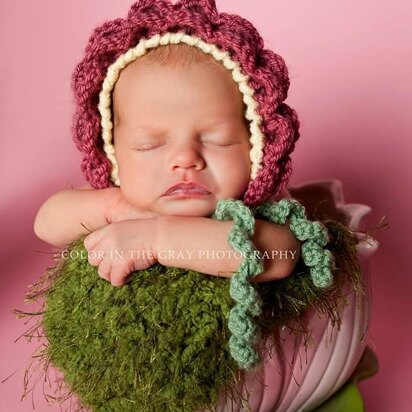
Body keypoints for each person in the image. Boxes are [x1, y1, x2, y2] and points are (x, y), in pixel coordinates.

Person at [33, 0, 303, 288]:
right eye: (149, 145)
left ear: (256, 144)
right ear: (112, 155)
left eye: (217, 140)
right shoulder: (123, 193)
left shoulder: (259, 206)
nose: (185, 159)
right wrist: (117, 207)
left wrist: (157, 238)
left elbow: (279, 255)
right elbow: (46, 223)